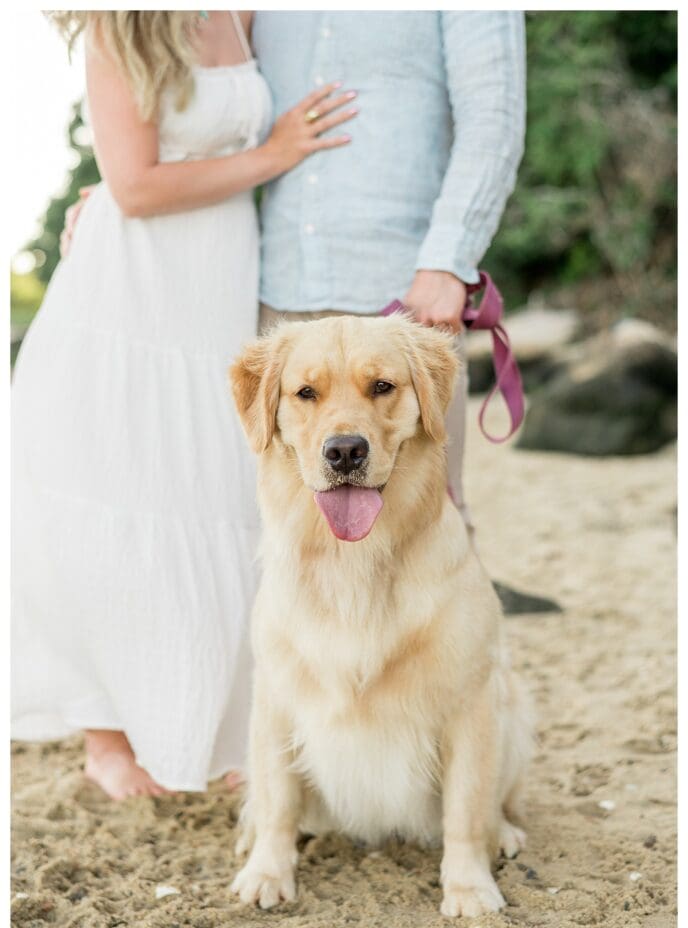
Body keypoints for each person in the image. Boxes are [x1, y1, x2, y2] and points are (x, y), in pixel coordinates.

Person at [11, 10, 357, 800]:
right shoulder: (118, 28)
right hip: (127, 296)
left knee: (211, 498)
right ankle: (106, 737)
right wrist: (273, 155)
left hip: (214, 288)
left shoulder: (243, 13)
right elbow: (133, 188)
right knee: (110, 503)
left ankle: (212, 724)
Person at [252, 10, 526, 536]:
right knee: (291, 541)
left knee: (429, 531)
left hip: (407, 308)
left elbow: (494, 118)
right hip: (277, 302)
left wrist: (448, 260)